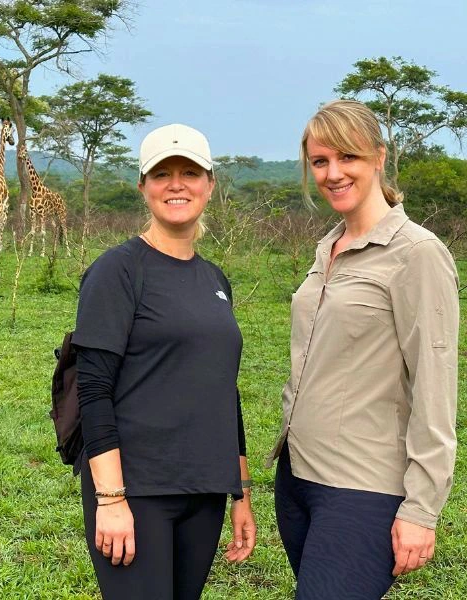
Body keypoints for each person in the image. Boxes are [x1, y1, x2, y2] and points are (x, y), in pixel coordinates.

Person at [267, 99, 459, 599]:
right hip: (297, 478)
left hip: (362, 488)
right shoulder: (327, 246)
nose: (333, 173)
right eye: (320, 161)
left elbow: (435, 389)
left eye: (347, 157)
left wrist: (420, 509)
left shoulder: (416, 253)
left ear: (378, 157)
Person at [72, 124, 256, 600]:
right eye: (162, 174)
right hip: (138, 490)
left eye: (190, 172)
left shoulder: (215, 278)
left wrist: (241, 491)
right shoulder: (118, 270)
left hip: (205, 491)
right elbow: (93, 391)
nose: (177, 184)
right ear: (143, 186)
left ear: (210, 184)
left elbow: (223, 388)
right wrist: (111, 501)